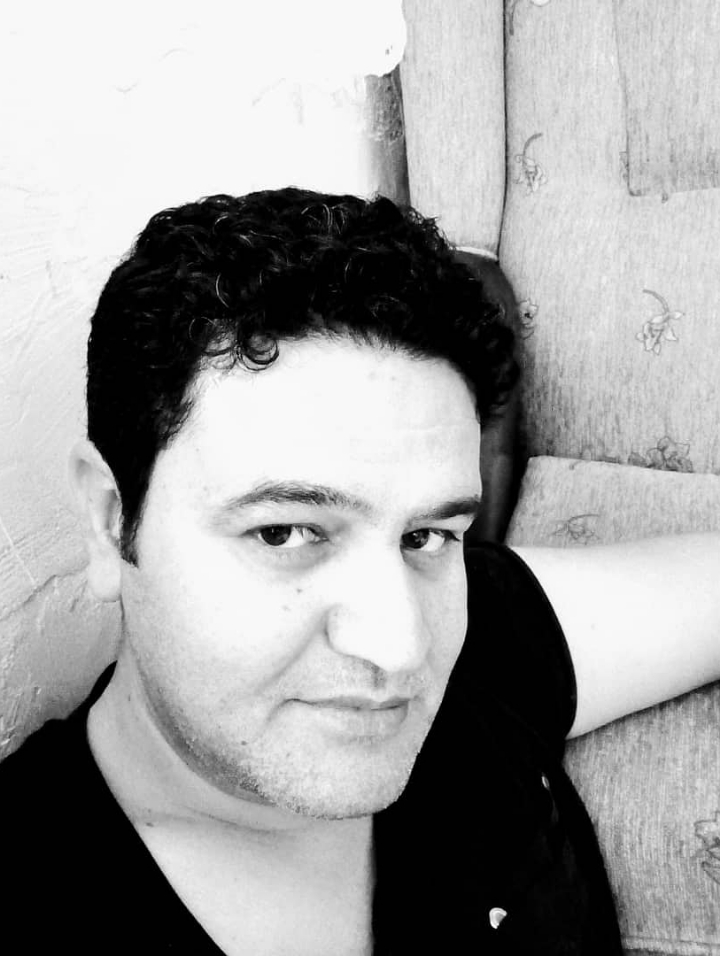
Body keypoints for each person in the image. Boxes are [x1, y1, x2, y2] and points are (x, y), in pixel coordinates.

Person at [2, 188, 720, 955]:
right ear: (111, 519)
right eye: (285, 533)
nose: (402, 647)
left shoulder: (477, 633)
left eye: (428, 534)